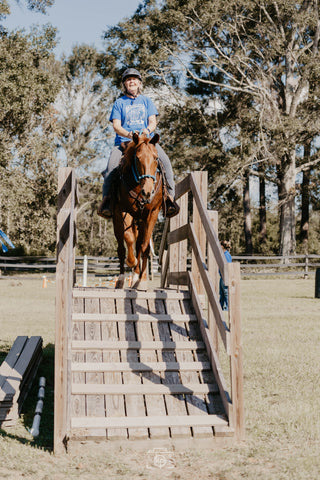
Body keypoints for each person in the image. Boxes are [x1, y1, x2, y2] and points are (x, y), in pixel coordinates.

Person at [98, 67, 179, 219]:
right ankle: (107, 202)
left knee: (166, 162)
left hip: (146, 142)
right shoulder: (119, 103)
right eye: (128, 80)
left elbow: (153, 121)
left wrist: (147, 131)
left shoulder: (146, 101)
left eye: (134, 79)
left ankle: (169, 200)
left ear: (140, 83)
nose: (132, 82)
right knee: (110, 169)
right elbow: (116, 125)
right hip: (124, 142)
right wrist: (128, 134)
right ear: (125, 84)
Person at [219, 240, 232, 311]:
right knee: (222, 293)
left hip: (225, 277)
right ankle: (220, 307)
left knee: (226, 293)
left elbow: (228, 267)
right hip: (222, 276)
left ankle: (227, 307)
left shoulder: (226, 255)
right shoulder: (223, 255)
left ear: (221, 246)